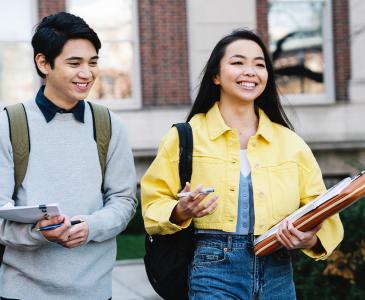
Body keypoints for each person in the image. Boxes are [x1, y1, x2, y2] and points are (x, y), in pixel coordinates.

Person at [141, 29, 343, 299]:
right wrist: (181, 210)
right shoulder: (184, 137)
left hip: (278, 270)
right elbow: (153, 205)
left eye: (259, 65)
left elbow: (324, 209)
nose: (250, 71)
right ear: (216, 75)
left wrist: (310, 238)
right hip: (213, 271)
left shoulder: (291, 143)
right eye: (238, 62)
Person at [0, 12, 137, 300]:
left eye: (93, 63)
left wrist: (90, 227)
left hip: (95, 292)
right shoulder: (10, 124)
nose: (86, 73)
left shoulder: (109, 125)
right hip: (22, 293)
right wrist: (39, 232)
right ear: (43, 63)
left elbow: (124, 201)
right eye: (74, 63)